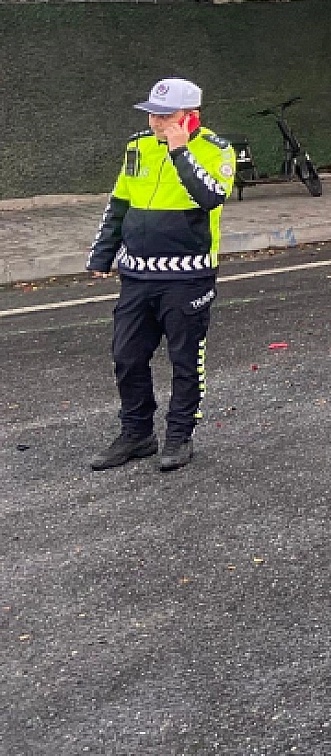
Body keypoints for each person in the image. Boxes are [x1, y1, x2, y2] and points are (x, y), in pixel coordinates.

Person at [86, 78, 238, 471]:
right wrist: (102, 254)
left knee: (186, 360)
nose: (155, 120)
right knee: (127, 357)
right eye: (151, 113)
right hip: (137, 275)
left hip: (187, 276)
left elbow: (211, 197)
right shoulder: (136, 147)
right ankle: (137, 435)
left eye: (164, 115)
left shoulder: (217, 150)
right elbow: (120, 200)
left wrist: (180, 151)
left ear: (190, 117)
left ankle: (179, 436)